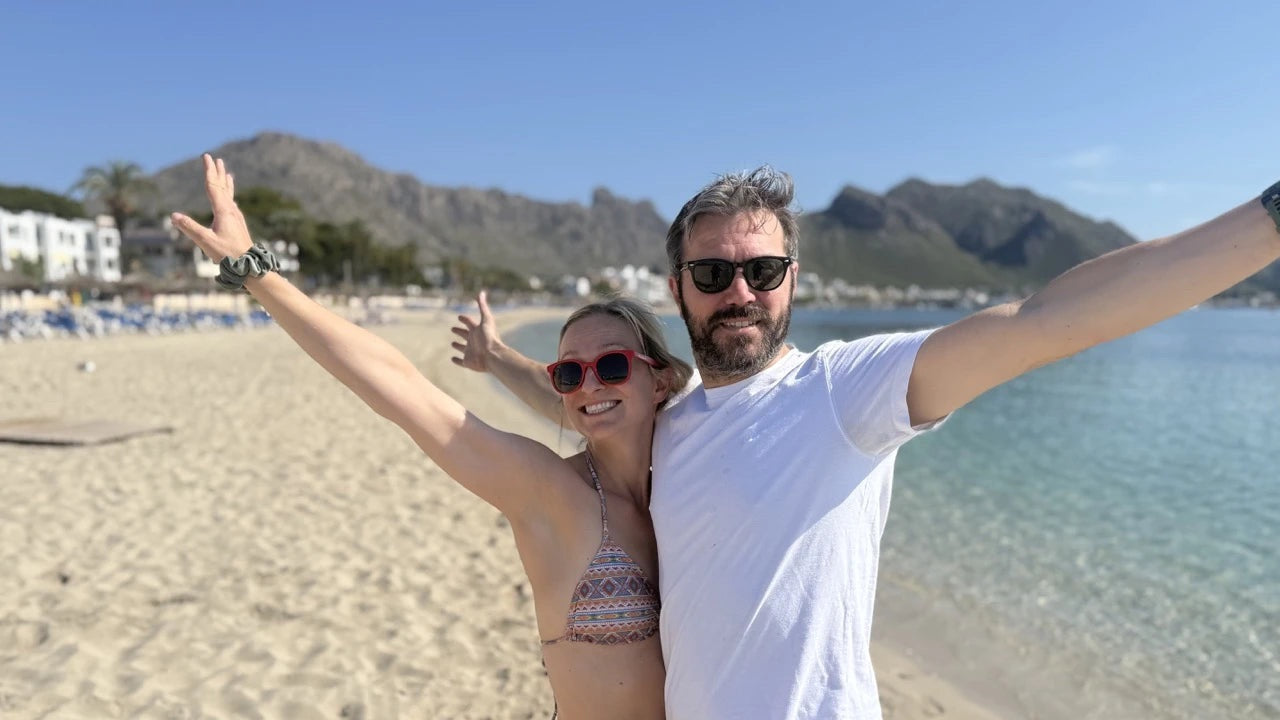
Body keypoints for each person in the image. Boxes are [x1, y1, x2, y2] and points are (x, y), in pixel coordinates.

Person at [452, 166, 1280, 719]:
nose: (738, 292)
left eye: (762, 271)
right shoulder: (672, 420)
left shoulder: (848, 391)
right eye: (712, 275)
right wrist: (500, 359)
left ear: (792, 282)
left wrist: (1269, 222)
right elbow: (580, 405)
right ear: (678, 291)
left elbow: (1044, 322)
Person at [170, 154, 693, 720]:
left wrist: (495, 356)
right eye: (571, 372)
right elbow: (403, 389)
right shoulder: (550, 492)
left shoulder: (690, 462)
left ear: (660, 376)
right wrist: (255, 271)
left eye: (612, 365)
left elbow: (590, 404)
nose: (591, 385)